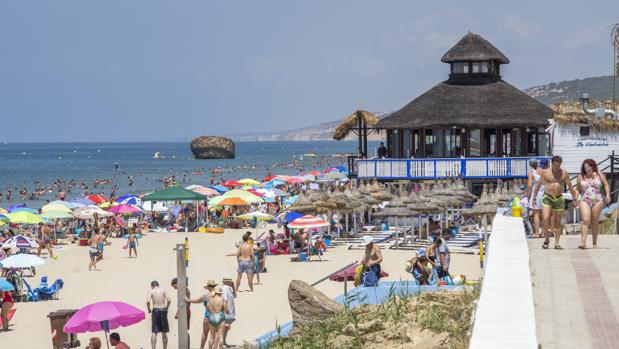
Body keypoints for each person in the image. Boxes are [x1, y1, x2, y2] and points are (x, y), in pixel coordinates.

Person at [533, 155, 578, 250]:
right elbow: (537, 185)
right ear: (552, 163)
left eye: (559, 165)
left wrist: (574, 199)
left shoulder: (564, 173)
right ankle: (546, 238)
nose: (557, 167)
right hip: (547, 197)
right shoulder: (545, 172)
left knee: (558, 221)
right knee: (545, 218)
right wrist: (534, 198)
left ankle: (557, 243)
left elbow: (570, 186)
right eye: (555, 165)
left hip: (559, 198)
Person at [576, 159, 611, 249]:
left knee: (595, 221)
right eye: (585, 167)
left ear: (593, 166)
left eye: (589, 167)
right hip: (585, 200)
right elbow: (578, 189)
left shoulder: (599, 174)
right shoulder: (581, 176)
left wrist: (607, 195)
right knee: (586, 220)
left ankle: (594, 243)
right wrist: (575, 198)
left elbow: (606, 184)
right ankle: (583, 243)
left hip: (597, 200)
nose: (588, 169)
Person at [186, 280, 217, 349]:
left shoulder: (206, 295)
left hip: (207, 316)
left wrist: (188, 300)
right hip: (215, 316)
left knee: (205, 333)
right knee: (213, 335)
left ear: (208, 287)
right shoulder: (218, 294)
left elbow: (197, 300)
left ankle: (201, 347)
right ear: (214, 286)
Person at [146, 281, 171, 349]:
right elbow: (169, 300)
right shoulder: (163, 290)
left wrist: (148, 309)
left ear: (152, 286)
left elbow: (148, 301)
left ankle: (153, 348)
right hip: (163, 310)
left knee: (154, 331)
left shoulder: (151, 291)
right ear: (158, 285)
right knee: (164, 331)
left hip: (156, 311)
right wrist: (167, 308)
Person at [525, 159, 544, 238]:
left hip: (536, 194)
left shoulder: (531, 173)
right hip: (545, 192)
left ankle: (536, 233)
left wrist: (527, 196)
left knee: (536, 214)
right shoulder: (543, 172)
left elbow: (529, 186)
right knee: (544, 214)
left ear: (530, 165)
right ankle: (543, 233)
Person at [171, 277, 191, 349]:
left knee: (185, 331)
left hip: (185, 311)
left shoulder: (184, 290)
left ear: (176, 284)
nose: (174, 288)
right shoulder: (184, 290)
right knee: (184, 331)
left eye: (174, 286)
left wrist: (178, 313)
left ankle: (186, 346)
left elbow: (183, 304)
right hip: (185, 311)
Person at [221, 279, 236, 348]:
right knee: (225, 328)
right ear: (227, 282)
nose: (232, 282)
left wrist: (233, 287)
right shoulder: (224, 289)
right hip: (226, 313)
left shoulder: (229, 288)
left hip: (229, 312)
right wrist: (226, 312)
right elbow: (224, 301)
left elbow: (235, 296)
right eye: (230, 281)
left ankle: (223, 342)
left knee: (226, 328)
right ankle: (222, 343)